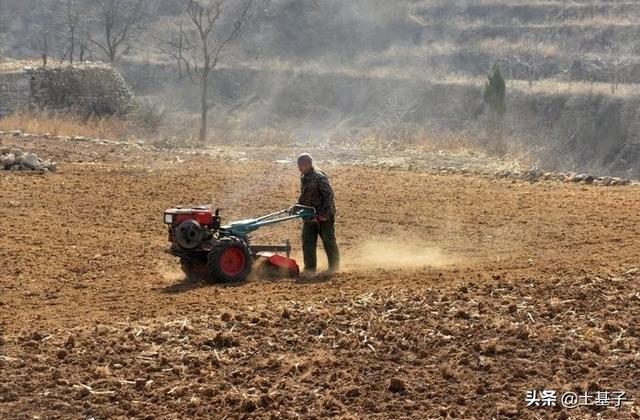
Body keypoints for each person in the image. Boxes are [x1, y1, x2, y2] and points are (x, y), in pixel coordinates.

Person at [296, 153, 340, 275]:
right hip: (310, 214)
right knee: (307, 240)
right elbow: (305, 194)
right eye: (298, 165)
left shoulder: (319, 177)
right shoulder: (304, 176)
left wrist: (325, 213)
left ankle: (334, 267)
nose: (299, 168)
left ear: (308, 164)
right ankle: (310, 268)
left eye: (301, 165)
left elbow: (329, 195)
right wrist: (298, 205)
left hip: (323, 215)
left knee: (328, 239)